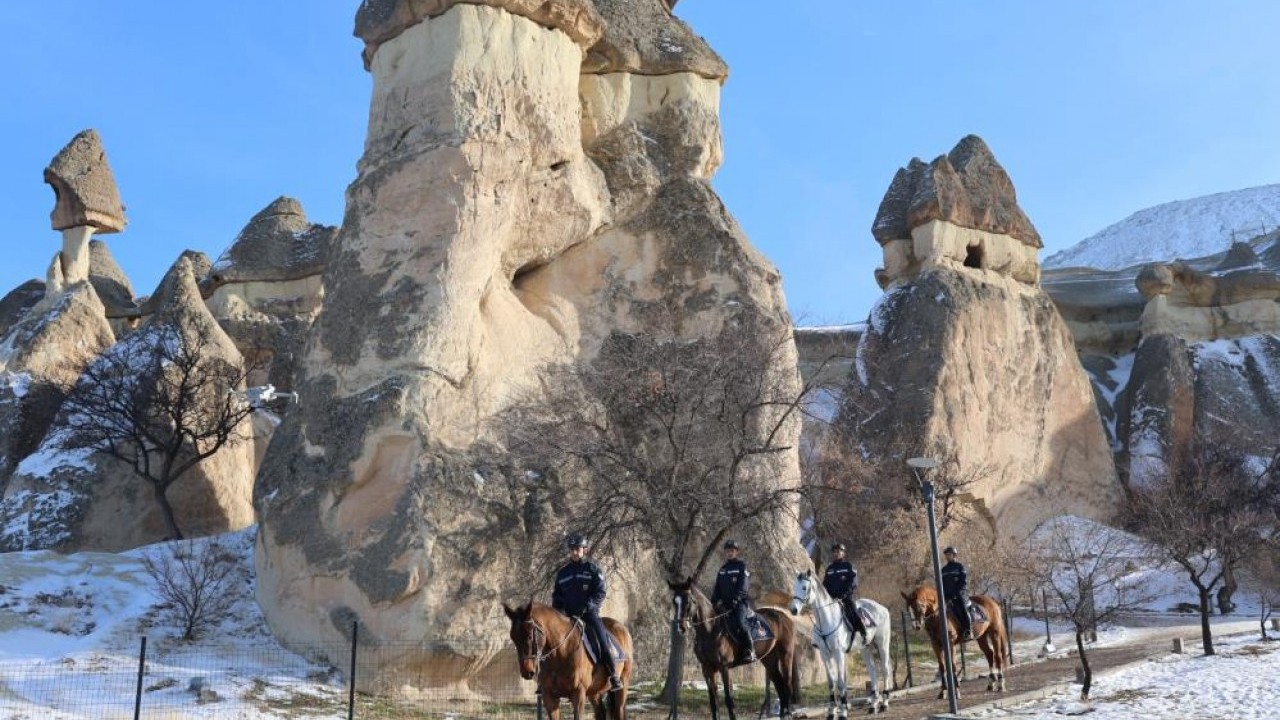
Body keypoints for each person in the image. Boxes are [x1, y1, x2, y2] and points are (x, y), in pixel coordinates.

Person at [552, 533, 622, 691]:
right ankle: (548, 679)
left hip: (589, 615)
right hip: (568, 617)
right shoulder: (563, 573)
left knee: (601, 641)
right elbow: (557, 596)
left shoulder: (593, 569)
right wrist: (558, 611)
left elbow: (600, 593)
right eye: (572, 549)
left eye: (577, 549)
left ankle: (613, 676)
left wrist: (588, 605)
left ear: (585, 550)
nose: (575, 552)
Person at [710, 539, 756, 662]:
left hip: (739, 603)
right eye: (728, 551)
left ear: (736, 552)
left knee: (741, 623)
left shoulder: (742, 567)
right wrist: (714, 601)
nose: (729, 553)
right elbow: (717, 588)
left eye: (732, 551)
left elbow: (743, 587)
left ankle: (750, 650)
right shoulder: (722, 569)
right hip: (724, 605)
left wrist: (735, 601)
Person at [822, 542, 867, 645]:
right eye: (834, 552)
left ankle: (863, 633)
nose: (836, 553)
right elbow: (825, 585)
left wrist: (844, 595)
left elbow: (853, 582)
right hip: (832, 599)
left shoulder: (848, 566)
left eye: (838, 551)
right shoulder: (829, 569)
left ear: (843, 554)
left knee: (853, 611)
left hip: (846, 597)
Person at [940, 546, 973, 641]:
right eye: (946, 555)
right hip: (947, 596)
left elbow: (963, 582)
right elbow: (941, 584)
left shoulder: (960, 567)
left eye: (949, 555)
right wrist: (945, 596)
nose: (947, 557)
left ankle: (968, 631)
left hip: (960, 595)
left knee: (963, 609)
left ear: (954, 555)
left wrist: (955, 594)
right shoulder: (943, 570)